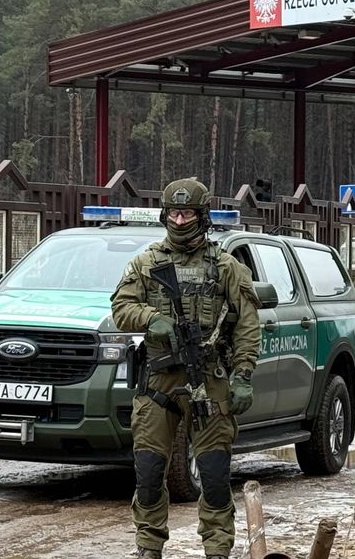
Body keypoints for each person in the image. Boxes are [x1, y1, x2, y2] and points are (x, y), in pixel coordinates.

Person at [111, 178, 261, 559]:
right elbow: (120, 308)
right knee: (148, 471)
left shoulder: (225, 267)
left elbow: (247, 324)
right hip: (159, 380)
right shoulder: (147, 263)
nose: (180, 221)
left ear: (202, 216)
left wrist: (243, 375)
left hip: (208, 379)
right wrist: (151, 319)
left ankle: (217, 549)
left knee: (214, 473)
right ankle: (148, 547)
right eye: (174, 213)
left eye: (188, 214)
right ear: (165, 215)